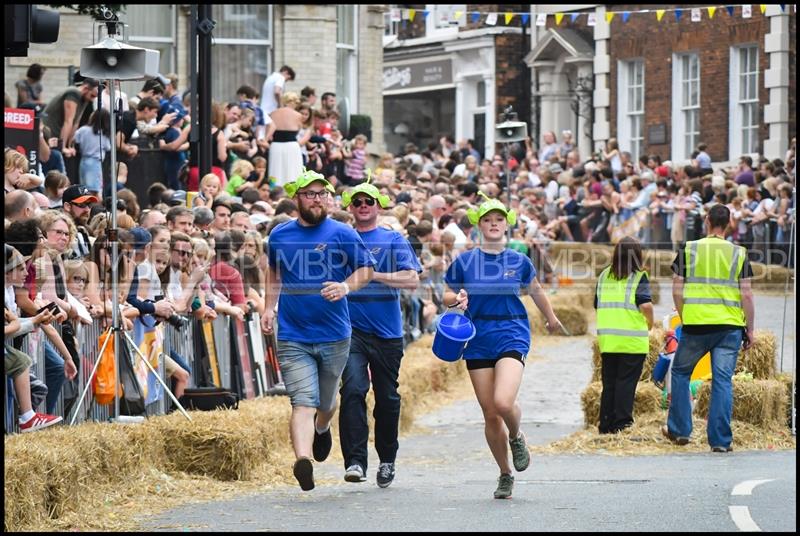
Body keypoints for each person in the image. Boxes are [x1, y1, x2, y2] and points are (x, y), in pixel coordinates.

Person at [261, 169, 375, 491]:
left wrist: (345, 286)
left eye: (322, 194)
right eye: (310, 194)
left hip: (335, 335)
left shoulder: (342, 233)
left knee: (326, 403)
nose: (317, 200)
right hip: (293, 334)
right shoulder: (280, 235)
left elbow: (366, 269)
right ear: (297, 198)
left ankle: (323, 429)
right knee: (302, 401)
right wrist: (269, 307)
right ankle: (303, 460)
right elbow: (273, 271)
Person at [443, 194, 563, 500]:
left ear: (506, 225)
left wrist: (551, 318)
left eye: (499, 220)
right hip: (477, 338)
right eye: (488, 220)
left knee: (503, 402)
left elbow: (535, 289)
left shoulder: (519, 260)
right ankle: (505, 473)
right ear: (479, 226)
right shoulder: (465, 261)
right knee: (489, 414)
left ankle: (517, 436)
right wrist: (456, 299)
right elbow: (445, 294)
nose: (494, 225)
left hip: (511, 333)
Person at [338, 176, 421, 487]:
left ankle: (387, 459)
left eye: (367, 201)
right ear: (350, 207)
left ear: (377, 206)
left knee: (386, 398)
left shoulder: (392, 240)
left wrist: (373, 276)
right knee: (354, 389)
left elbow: (412, 280)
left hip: (387, 332)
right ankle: (355, 462)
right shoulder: (342, 238)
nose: (362, 206)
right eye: (357, 202)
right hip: (351, 331)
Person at [665, 204, 755, 452]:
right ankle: (720, 441)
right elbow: (746, 295)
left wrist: (685, 315)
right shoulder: (739, 253)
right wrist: (751, 328)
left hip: (696, 326)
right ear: (729, 224)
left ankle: (680, 431)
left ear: (706, 221)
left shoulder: (689, 248)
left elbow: (676, 288)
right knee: (722, 381)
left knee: (681, 373)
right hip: (729, 327)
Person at [595, 236, 653, 434]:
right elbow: (645, 304)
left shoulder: (603, 276)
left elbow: (597, 304)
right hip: (632, 341)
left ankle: (605, 425)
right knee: (626, 384)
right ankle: (622, 425)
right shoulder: (639, 277)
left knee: (609, 384)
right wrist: (651, 323)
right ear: (637, 256)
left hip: (608, 340)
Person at [266, 92, 304, 187]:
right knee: (293, 172)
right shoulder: (298, 115)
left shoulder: (272, 114)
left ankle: (274, 191)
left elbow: (268, 131)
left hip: (276, 146)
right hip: (291, 146)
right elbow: (299, 129)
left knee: (275, 171)